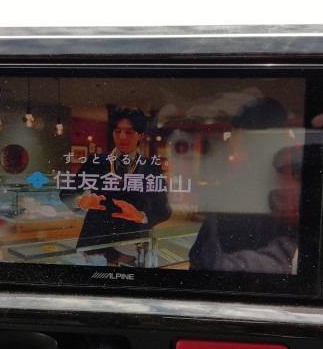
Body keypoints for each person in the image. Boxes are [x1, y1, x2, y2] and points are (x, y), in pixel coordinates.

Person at [189, 98, 300, 274]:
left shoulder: (288, 188)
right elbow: (201, 251)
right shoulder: (233, 187)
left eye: (237, 139)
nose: (232, 147)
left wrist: (221, 266)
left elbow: (285, 252)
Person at [61, 108, 171, 261]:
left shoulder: (151, 168)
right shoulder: (95, 162)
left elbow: (164, 210)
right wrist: (79, 200)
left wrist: (140, 215)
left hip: (132, 243)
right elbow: (67, 192)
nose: (122, 136)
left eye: (129, 132)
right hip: (94, 242)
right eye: (117, 131)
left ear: (140, 135)